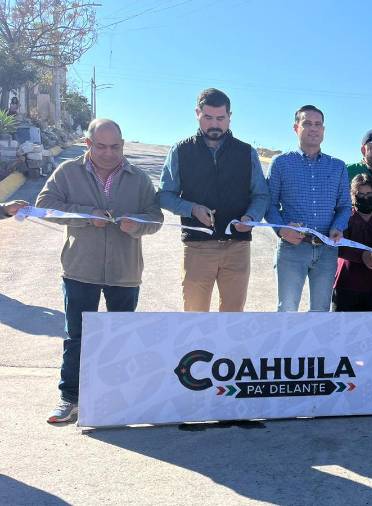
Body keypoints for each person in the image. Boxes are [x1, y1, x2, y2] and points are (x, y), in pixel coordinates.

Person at [35, 118, 162, 423]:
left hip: (125, 271)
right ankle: (70, 398)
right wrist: (85, 216)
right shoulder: (68, 172)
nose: (109, 153)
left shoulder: (139, 179)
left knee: (121, 337)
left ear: (123, 144)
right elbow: (44, 204)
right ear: (87, 144)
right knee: (76, 336)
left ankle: (117, 401)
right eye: (101, 146)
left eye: (115, 146)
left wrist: (137, 225)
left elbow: (155, 218)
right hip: (81, 268)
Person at [158, 88, 269, 312]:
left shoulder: (247, 152)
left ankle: (227, 350)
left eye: (221, 118)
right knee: (195, 317)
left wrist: (251, 217)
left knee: (232, 318)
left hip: (237, 248)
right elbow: (164, 195)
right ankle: (199, 350)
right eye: (208, 117)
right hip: (197, 247)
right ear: (197, 113)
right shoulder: (181, 150)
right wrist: (191, 209)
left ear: (230, 116)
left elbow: (261, 195)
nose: (215, 124)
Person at [266, 104, 350, 312]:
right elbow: (269, 204)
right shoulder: (280, 163)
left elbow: (344, 206)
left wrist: (338, 227)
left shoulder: (338, 166)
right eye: (307, 123)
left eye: (318, 124)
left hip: (327, 250)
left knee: (321, 312)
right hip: (292, 249)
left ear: (323, 129)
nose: (313, 128)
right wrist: (281, 229)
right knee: (287, 309)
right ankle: (284, 346)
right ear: (296, 128)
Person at [332, 173, 372, 311]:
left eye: (370, 194)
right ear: (353, 196)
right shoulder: (343, 219)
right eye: (361, 195)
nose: (366, 198)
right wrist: (362, 255)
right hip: (345, 286)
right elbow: (336, 247)